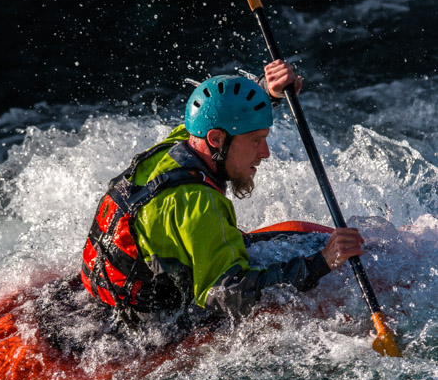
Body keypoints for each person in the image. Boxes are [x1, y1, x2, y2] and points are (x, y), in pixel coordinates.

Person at [80, 60, 364, 326]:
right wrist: (322, 262)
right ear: (216, 139)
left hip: (110, 295)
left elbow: (222, 110)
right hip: (148, 328)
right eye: (256, 141)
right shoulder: (199, 203)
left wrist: (269, 91)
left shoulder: (180, 144)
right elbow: (229, 295)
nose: (265, 153)